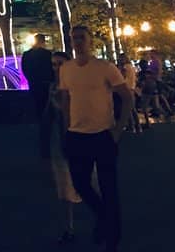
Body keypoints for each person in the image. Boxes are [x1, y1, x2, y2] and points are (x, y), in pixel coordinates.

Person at [57, 26, 134, 252]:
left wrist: (118, 129)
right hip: (76, 135)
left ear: (90, 41)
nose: (78, 42)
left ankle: (112, 238)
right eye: (74, 38)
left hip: (102, 134)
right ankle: (103, 216)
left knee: (109, 188)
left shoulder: (105, 67)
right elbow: (66, 101)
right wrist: (66, 128)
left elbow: (127, 97)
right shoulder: (66, 69)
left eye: (82, 38)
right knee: (80, 183)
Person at [47, 52, 85, 244]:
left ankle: (103, 218)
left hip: (81, 138)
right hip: (60, 140)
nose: (56, 68)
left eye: (60, 64)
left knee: (88, 182)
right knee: (65, 186)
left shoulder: (78, 84)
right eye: (54, 64)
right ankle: (68, 227)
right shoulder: (53, 86)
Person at [21, 34, 54, 156]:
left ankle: (40, 143)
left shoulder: (27, 54)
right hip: (46, 86)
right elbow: (52, 70)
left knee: (38, 112)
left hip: (34, 86)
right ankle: (48, 144)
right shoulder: (48, 54)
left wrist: (31, 80)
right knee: (47, 113)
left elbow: (24, 69)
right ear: (43, 42)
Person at [116, 54, 141, 133]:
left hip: (126, 88)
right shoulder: (132, 67)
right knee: (132, 108)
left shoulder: (124, 67)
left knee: (127, 108)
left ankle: (131, 126)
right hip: (132, 88)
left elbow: (122, 77)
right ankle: (138, 126)